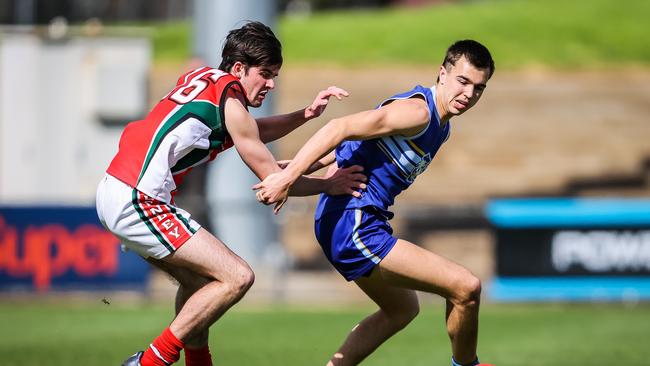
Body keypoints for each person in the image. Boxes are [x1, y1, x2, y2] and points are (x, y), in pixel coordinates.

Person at [96, 21, 366, 366]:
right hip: (137, 198)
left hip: (115, 189)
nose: (270, 84)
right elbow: (274, 182)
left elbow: (251, 130)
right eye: (265, 73)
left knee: (201, 284)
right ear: (239, 68)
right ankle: (148, 362)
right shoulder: (233, 106)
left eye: (275, 76)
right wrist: (328, 183)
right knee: (238, 276)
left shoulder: (206, 80)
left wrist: (306, 114)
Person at [254, 40, 495, 366]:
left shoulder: (441, 127)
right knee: (466, 287)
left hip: (353, 220)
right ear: (442, 73)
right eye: (463, 82)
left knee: (403, 309)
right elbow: (340, 128)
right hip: (353, 224)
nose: (469, 94)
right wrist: (288, 177)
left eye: (478, 88)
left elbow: (347, 149)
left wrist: (292, 170)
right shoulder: (418, 112)